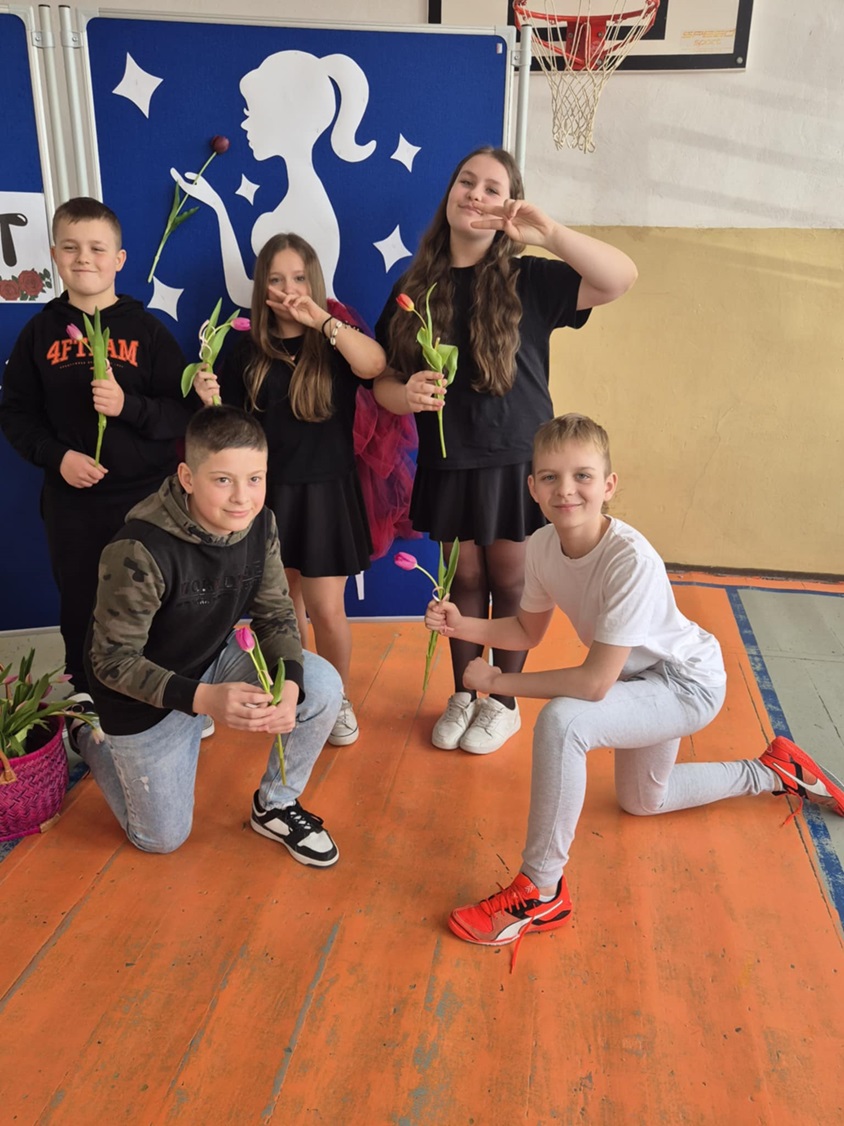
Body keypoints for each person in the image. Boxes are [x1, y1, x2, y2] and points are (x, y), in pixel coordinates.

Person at [425, 413, 844, 957]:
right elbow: (527, 629)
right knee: (645, 800)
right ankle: (773, 771)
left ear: (608, 485)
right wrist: (464, 626)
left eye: (582, 475)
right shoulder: (544, 545)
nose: (566, 489)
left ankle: (541, 891)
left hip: (685, 684)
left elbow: (593, 683)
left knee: (563, 721)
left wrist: (499, 679)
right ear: (532, 488)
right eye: (550, 477)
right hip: (639, 680)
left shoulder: (630, 560)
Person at [374, 146, 637, 755]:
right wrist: (405, 395)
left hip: (519, 461)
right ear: (449, 193)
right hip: (449, 461)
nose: (475, 194)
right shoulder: (413, 288)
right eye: (466, 182)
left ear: (509, 204)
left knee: (512, 581)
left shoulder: (530, 279)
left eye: (493, 188)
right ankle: (467, 690)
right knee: (463, 579)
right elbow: (382, 383)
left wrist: (548, 232)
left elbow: (619, 277)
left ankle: (504, 699)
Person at [75, 405, 343, 863]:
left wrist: (290, 682)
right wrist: (204, 700)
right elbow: (112, 661)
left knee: (321, 686)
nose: (242, 497)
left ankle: (275, 804)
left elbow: (276, 613)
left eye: (255, 479)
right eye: (223, 480)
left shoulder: (261, 523)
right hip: (139, 696)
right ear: (187, 477)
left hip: (211, 660)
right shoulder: (138, 548)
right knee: (161, 840)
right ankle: (84, 729)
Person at [196, 233, 387, 747]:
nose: (287, 289)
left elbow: (375, 366)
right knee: (284, 609)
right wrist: (210, 402)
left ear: (314, 282)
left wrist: (321, 319)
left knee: (326, 609)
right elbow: (230, 432)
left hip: (326, 494)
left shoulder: (334, 341)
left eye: (299, 278)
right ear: (262, 287)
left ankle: (338, 699)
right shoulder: (246, 350)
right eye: (276, 280)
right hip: (268, 497)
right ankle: (300, 692)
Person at [0, 197, 193, 699]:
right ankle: (87, 696)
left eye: (96, 248)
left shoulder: (147, 331)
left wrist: (129, 407)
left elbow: (183, 412)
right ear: (54, 256)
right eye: (70, 247)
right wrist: (57, 457)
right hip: (73, 503)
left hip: (148, 500)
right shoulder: (39, 333)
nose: (83, 258)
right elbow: (15, 414)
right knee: (81, 602)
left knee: (157, 596)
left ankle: (169, 693)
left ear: (119, 259)